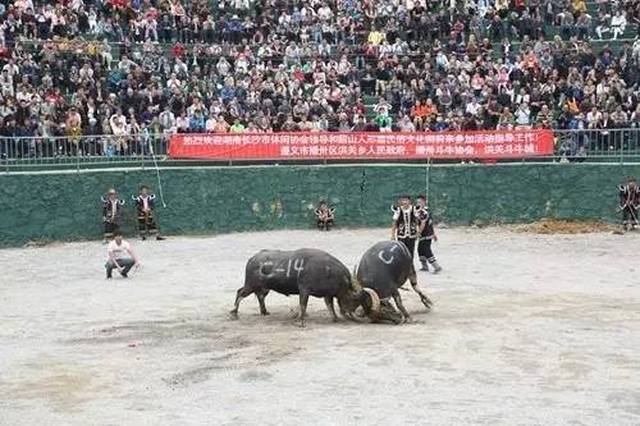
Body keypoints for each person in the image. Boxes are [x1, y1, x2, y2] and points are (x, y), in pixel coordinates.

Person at [416, 195, 442, 273]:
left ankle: (436, 266)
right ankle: (424, 266)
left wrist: (419, 232)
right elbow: (430, 224)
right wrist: (434, 234)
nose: (418, 203)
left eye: (420, 202)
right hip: (426, 234)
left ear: (424, 202)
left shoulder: (424, 212)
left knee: (426, 250)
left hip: (426, 235)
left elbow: (423, 224)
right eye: (417, 202)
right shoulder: (420, 211)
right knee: (420, 250)